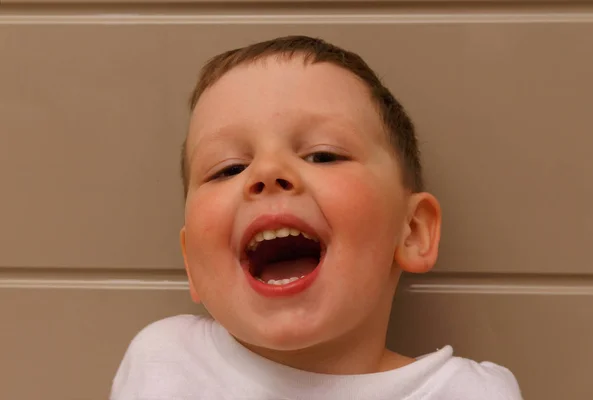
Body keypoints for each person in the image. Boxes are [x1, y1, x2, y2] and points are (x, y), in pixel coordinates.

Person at [111, 35, 522, 399]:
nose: (268, 173)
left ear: (412, 231)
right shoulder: (164, 361)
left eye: (323, 155)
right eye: (228, 168)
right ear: (192, 266)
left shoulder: (467, 393)